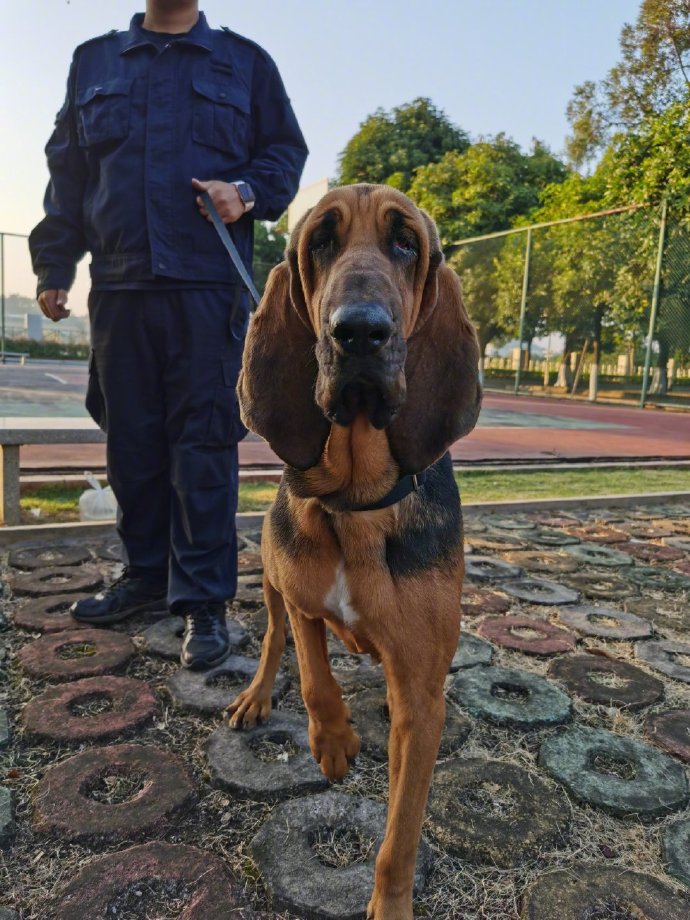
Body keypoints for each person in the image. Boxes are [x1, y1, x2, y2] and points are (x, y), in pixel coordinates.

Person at [29, 1, 308, 669]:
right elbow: (67, 175)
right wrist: (53, 264)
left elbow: (285, 154)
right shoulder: (93, 62)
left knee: (204, 445)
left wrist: (245, 189)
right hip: (120, 288)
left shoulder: (246, 63)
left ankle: (203, 602)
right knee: (132, 443)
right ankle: (146, 577)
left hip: (207, 289)